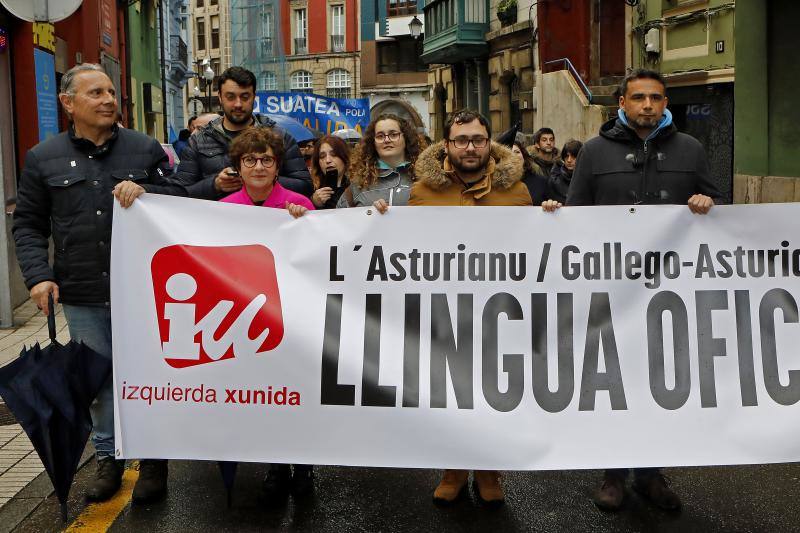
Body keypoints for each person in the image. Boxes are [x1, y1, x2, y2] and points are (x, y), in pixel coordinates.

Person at [543, 69, 719, 513]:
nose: (647, 105)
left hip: (670, 294)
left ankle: (652, 474)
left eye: (656, 98)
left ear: (665, 103)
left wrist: (706, 203)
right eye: (638, 97)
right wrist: (552, 213)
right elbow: (577, 215)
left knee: (660, 384)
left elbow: (722, 211)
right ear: (621, 102)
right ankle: (613, 474)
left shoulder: (691, 150)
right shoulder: (595, 152)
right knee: (615, 385)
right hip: (612, 293)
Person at [12, 63, 185, 505]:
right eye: (96, 93)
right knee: (98, 380)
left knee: (148, 376)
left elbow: (183, 202)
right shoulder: (42, 157)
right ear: (69, 103)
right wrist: (39, 276)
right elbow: (29, 224)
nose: (108, 100)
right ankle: (108, 460)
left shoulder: (145, 149)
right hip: (83, 292)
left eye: (111, 91)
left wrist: (151, 194)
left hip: (144, 292)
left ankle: (152, 463)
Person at [375, 109, 531, 506]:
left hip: (498, 310)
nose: (469, 147)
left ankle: (489, 469)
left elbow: (535, 248)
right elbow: (408, 247)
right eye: (461, 140)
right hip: (445, 312)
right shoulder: (424, 191)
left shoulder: (518, 191)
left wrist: (549, 214)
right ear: (447, 145)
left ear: (488, 143)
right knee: (450, 394)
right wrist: (380, 223)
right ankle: (454, 468)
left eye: (477, 139)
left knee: (494, 392)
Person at [220, 127, 315, 500]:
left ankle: (304, 466)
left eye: (266, 160)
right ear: (238, 168)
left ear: (277, 167)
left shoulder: (299, 204)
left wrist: (302, 223)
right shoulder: (223, 210)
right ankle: (276, 465)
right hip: (247, 319)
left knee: (298, 393)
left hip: (292, 317)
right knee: (266, 396)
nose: (258, 167)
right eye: (250, 160)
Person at [173, 67, 312, 200]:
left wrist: (264, 179)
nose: (238, 104)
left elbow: (305, 186)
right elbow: (180, 192)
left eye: (244, 97)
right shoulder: (199, 141)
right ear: (220, 98)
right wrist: (215, 185)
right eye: (231, 97)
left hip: (267, 221)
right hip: (215, 222)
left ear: (254, 98)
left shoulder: (280, 137)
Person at [337, 113, 423, 208]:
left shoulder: (424, 178)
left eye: (393, 134)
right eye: (380, 136)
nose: (386, 140)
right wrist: (369, 214)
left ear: (406, 138)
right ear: (373, 142)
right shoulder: (359, 184)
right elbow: (340, 220)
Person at [310, 135, 351, 209]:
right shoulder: (310, 187)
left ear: (344, 157)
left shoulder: (358, 186)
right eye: (322, 156)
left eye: (334, 155)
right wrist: (313, 203)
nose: (328, 160)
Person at [511, 140, 548, 205]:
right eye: (509, 152)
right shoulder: (494, 184)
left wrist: (550, 204)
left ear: (523, 156)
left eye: (517, 152)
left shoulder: (541, 182)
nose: (514, 156)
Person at [546, 139, 582, 204]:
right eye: (566, 156)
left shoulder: (587, 178)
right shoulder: (554, 180)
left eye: (573, 157)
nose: (569, 160)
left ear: (581, 157)